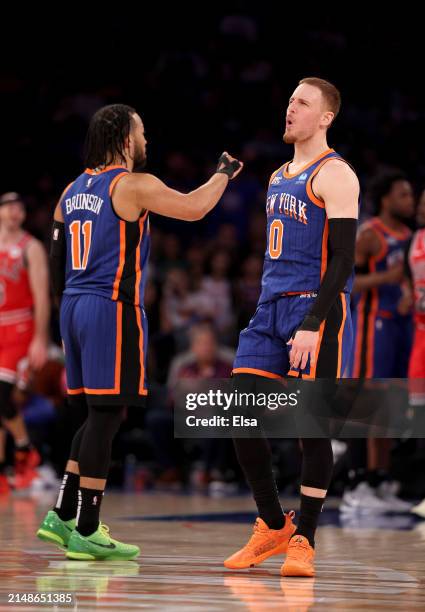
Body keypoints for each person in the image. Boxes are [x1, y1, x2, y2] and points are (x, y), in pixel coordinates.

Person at [36, 104, 243, 560]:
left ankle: (61, 514)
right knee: (108, 417)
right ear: (126, 141)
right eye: (142, 132)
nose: (146, 139)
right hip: (111, 308)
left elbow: (55, 256)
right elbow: (194, 208)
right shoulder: (132, 185)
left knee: (93, 416)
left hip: (73, 305)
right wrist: (224, 173)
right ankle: (87, 528)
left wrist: (65, 308)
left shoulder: (70, 190)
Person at [224, 77, 359, 577]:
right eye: (289, 101)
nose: (290, 108)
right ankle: (271, 523)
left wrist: (314, 322)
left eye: (302, 103)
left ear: (325, 117)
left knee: (311, 426)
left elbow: (343, 260)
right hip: (269, 307)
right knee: (238, 415)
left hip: (313, 309)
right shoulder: (279, 175)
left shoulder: (336, 173)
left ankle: (305, 537)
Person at [342, 172, 415, 514]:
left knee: (391, 406)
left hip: (402, 326)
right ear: (385, 199)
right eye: (403, 195)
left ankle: (380, 478)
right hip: (374, 327)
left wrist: (405, 293)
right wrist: (386, 279)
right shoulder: (370, 234)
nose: (410, 201)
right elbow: (347, 282)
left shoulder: (409, 236)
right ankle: (359, 483)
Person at [0, 192, 49, 493]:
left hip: (20, 327)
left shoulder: (31, 247)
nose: (16, 212)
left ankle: (25, 449)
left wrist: (41, 338)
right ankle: (6, 471)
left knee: (1, 395)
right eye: (9, 207)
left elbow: (42, 296)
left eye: (20, 207)